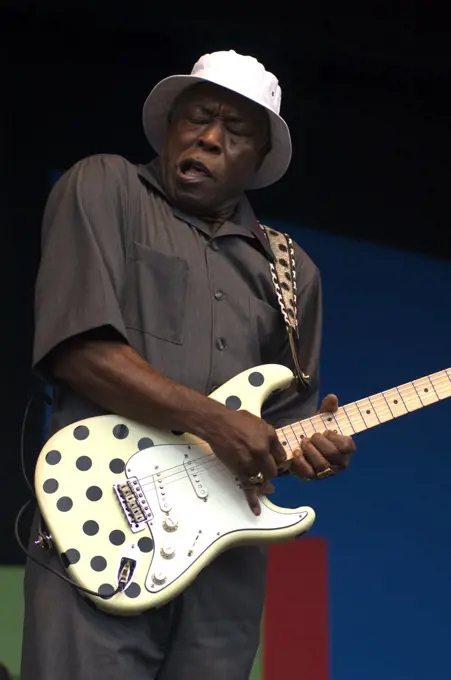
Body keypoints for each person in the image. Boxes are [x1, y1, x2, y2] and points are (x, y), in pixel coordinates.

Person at [21, 50, 356, 680]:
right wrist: (215, 422)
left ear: (258, 161)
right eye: (198, 117)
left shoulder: (292, 271)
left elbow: (277, 433)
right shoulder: (105, 185)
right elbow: (78, 350)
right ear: (170, 125)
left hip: (223, 569)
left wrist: (311, 451)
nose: (209, 137)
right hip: (101, 523)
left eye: (235, 133)